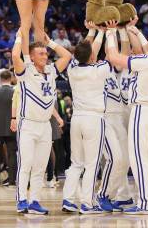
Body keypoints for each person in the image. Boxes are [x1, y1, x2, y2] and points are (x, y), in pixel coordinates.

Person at [106, 22, 148, 215]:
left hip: (142, 111)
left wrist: (110, 34)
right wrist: (135, 31)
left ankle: (145, 203)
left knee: (138, 159)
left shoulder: (146, 62)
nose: (146, 42)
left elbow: (113, 57)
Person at [11, 31, 71, 215]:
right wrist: (20, 37)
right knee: (26, 164)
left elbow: (67, 56)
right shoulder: (25, 72)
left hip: (45, 125)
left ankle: (35, 200)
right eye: (41, 53)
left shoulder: (51, 71)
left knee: (40, 166)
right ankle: (21, 199)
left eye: (46, 53)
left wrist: (50, 42)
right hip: (28, 124)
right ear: (32, 56)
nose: (45, 56)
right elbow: (15, 55)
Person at [61, 34, 114, 214]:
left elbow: (88, 51)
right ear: (92, 56)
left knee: (76, 163)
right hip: (94, 119)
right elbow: (108, 53)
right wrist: (107, 32)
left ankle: (68, 200)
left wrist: (95, 32)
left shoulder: (72, 70)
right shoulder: (99, 69)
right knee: (92, 164)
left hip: (76, 119)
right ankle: (87, 203)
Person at [94, 23, 134, 212]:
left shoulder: (114, 68)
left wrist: (123, 29)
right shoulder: (95, 67)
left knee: (124, 160)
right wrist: (106, 32)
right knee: (115, 159)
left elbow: (122, 53)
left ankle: (120, 195)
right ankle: (102, 194)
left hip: (119, 116)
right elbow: (100, 53)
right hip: (104, 117)